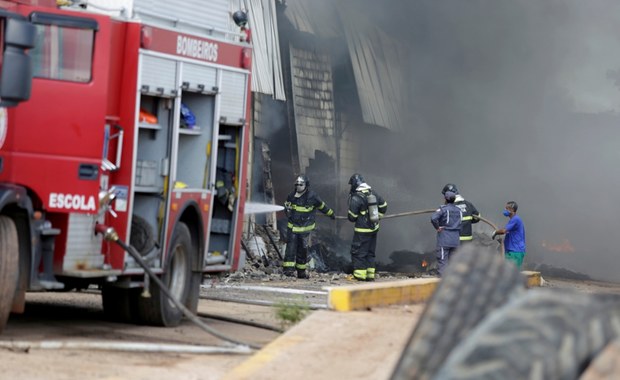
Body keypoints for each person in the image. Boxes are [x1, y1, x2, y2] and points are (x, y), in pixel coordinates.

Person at [283, 174, 335, 279]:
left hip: (304, 230)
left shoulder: (312, 196)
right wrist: (287, 209)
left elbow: (322, 206)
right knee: (290, 249)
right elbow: (287, 210)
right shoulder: (291, 195)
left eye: (300, 185)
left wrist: (330, 214)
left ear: (306, 185)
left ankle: (301, 272)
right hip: (292, 228)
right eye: (296, 185)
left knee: (302, 250)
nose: (298, 187)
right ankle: (288, 271)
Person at [347, 173, 387, 281]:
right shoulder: (373, 193)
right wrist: (378, 217)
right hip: (374, 229)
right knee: (370, 252)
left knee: (359, 252)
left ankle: (359, 276)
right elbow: (384, 206)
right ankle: (370, 275)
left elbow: (351, 217)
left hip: (362, 231)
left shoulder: (356, 198)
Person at [430, 191, 462, 276]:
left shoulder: (443, 209)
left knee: (443, 261)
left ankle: (443, 282)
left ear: (445, 199)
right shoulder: (459, 210)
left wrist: (437, 227)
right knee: (454, 262)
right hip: (455, 239)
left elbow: (433, 218)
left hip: (445, 238)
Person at [493, 201, 526, 269]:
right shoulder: (513, 220)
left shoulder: (516, 219)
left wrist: (495, 232)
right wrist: (502, 242)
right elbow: (511, 236)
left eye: (507, 208)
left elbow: (504, 231)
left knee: (511, 274)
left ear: (512, 209)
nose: (505, 210)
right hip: (511, 251)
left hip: (515, 252)